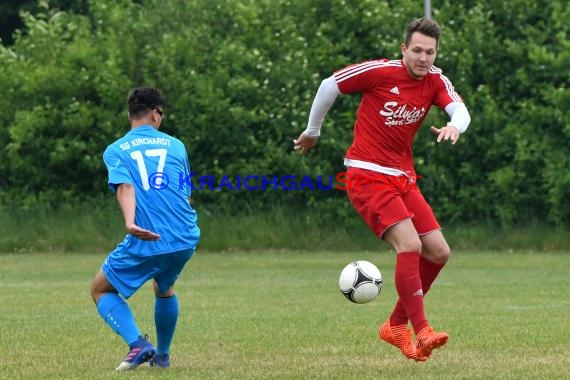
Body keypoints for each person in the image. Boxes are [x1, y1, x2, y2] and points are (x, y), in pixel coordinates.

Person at [294, 17, 470, 361]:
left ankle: (394, 325)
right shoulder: (381, 72)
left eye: (429, 52)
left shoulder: (435, 80)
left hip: (402, 178)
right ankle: (422, 330)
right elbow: (330, 85)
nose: (423, 57)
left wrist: (454, 126)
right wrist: (313, 130)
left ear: (436, 53)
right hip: (367, 174)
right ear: (404, 48)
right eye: (416, 50)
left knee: (438, 252)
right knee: (410, 244)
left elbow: (460, 110)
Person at [90, 87, 201, 371]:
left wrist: (130, 222)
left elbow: (125, 186)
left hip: (148, 237)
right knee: (164, 287)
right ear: (155, 113)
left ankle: (138, 344)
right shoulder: (176, 145)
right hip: (185, 236)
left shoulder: (115, 150)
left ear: (130, 115)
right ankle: (162, 358)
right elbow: (183, 191)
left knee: (100, 289)